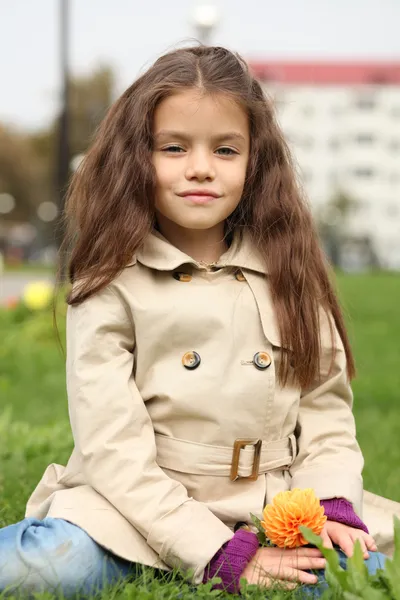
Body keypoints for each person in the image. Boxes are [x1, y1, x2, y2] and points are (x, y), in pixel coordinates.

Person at [0, 45, 392, 597]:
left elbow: (325, 411)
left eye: (226, 149)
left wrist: (327, 505)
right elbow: (113, 448)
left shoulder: (290, 271)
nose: (201, 168)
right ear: (138, 156)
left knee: (366, 577)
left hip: (271, 508)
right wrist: (215, 553)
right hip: (130, 514)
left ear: (256, 160)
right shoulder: (109, 281)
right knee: (43, 568)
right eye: (174, 147)